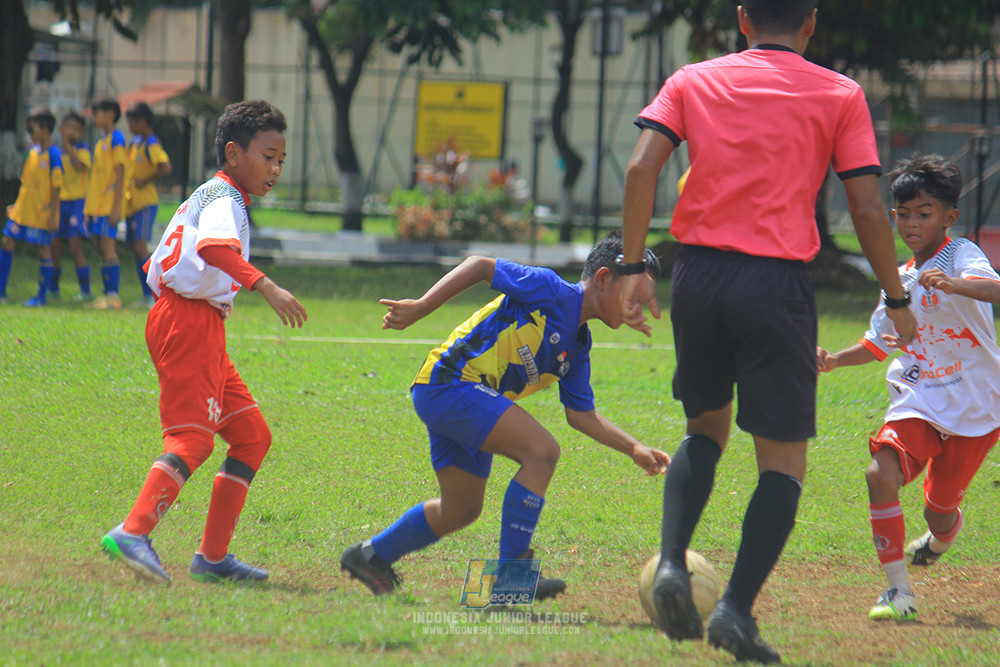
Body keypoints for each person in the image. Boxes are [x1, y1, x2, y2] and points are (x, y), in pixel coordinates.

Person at [618, 1, 919, 663]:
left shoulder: (692, 78)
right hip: (775, 282)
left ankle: (672, 563)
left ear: (742, 18)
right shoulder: (840, 93)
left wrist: (636, 266)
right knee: (781, 462)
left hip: (696, 275)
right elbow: (867, 203)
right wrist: (895, 295)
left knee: (705, 428)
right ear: (811, 21)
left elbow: (641, 169)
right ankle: (734, 610)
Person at [340, 232, 671, 598]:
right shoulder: (551, 290)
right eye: (634, 297)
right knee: (541, 451)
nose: (636, 309)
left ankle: (370, 555)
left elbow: (581, 414)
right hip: (449, 383)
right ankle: (509, 580)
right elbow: (481, 266)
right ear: (604, 278)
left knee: (461, 508)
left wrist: (634, 448)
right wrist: (421, 306)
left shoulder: (579, 345)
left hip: (459, 395)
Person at [100, 100, 308, 584]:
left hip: (199, 322)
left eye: (282, 159)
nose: (275, 168)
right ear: (233, 154)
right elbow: (213, 248)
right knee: (191, 438)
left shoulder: (221, 195)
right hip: (187, 321)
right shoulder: (224, 199)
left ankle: (212, 559)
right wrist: (266, 286)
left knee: (252, 437)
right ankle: (134, 531)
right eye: (268, 155)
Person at [817, 154, 1000, 622]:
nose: (912, 223)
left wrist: (958, 286)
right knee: (880, 474)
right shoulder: (897, 280)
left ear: (949, 218)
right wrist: (836, 360)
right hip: (919, 397)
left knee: (938, 513)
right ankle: (898, 592)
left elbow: (995, 289)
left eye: (925, 213)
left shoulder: (961, 255)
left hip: (977, 403)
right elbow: (879, 343)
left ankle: (941, 535)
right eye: (903, 214)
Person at [0, 107, 63, 306]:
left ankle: (41, 296)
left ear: (45, 129)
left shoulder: (53, 155)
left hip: (40, 214)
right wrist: (16, 205)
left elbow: (56, 187)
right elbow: (26, 182)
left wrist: (53, 214)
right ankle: (1, 291)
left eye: (32, 127)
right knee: (7, 242)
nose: (29, 131)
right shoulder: (32, 152)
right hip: (22, 212)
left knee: (43, 249)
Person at [124, 101, 172, 308]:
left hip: (145, 203)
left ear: (143, 122)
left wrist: (145, 180)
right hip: (132, 203)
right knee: (136, 248)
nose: (130, 127)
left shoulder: (151, 143)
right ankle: (147, 295)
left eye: (132, 122)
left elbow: (165, 167)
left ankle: (153, 295)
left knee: (140, 246)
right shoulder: (136, 143)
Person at [83, 96, 126, 310]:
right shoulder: (101, 142)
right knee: (102, 247)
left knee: (108, 247)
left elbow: (120, 173)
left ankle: (113, 296)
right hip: (97, 206)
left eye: (97, 113)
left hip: (109, 205)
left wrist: (117, 206)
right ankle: (107, 294)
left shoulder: (117, 139)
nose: (94, 117)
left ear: (110, 114)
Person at [50, 111, 93, 301]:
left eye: (76, 129)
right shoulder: (55, 153)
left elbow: (78, 166)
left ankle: (85, 290)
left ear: (81, 134)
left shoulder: (83, 150)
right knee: (54, 246)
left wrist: (68, 145)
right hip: (59, 203)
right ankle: (53, 287)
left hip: (77, 203)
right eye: (68, 127)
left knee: (75, 247)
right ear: (60, 130)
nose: (72, 132)